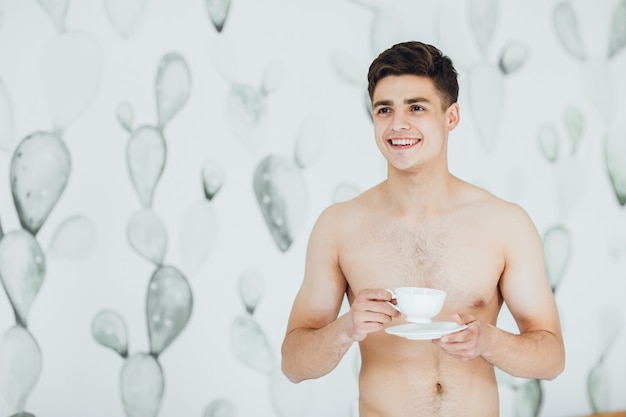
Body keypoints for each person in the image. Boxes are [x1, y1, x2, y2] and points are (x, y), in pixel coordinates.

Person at [280, 41, 565, 417]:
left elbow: (551, 359)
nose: (398, 124)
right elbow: (293, 364)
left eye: (417, 107)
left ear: (451, 117)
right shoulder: (340, 226)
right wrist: (346, 328)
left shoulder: (504, 223)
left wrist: (489, 341)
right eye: (385, 110)